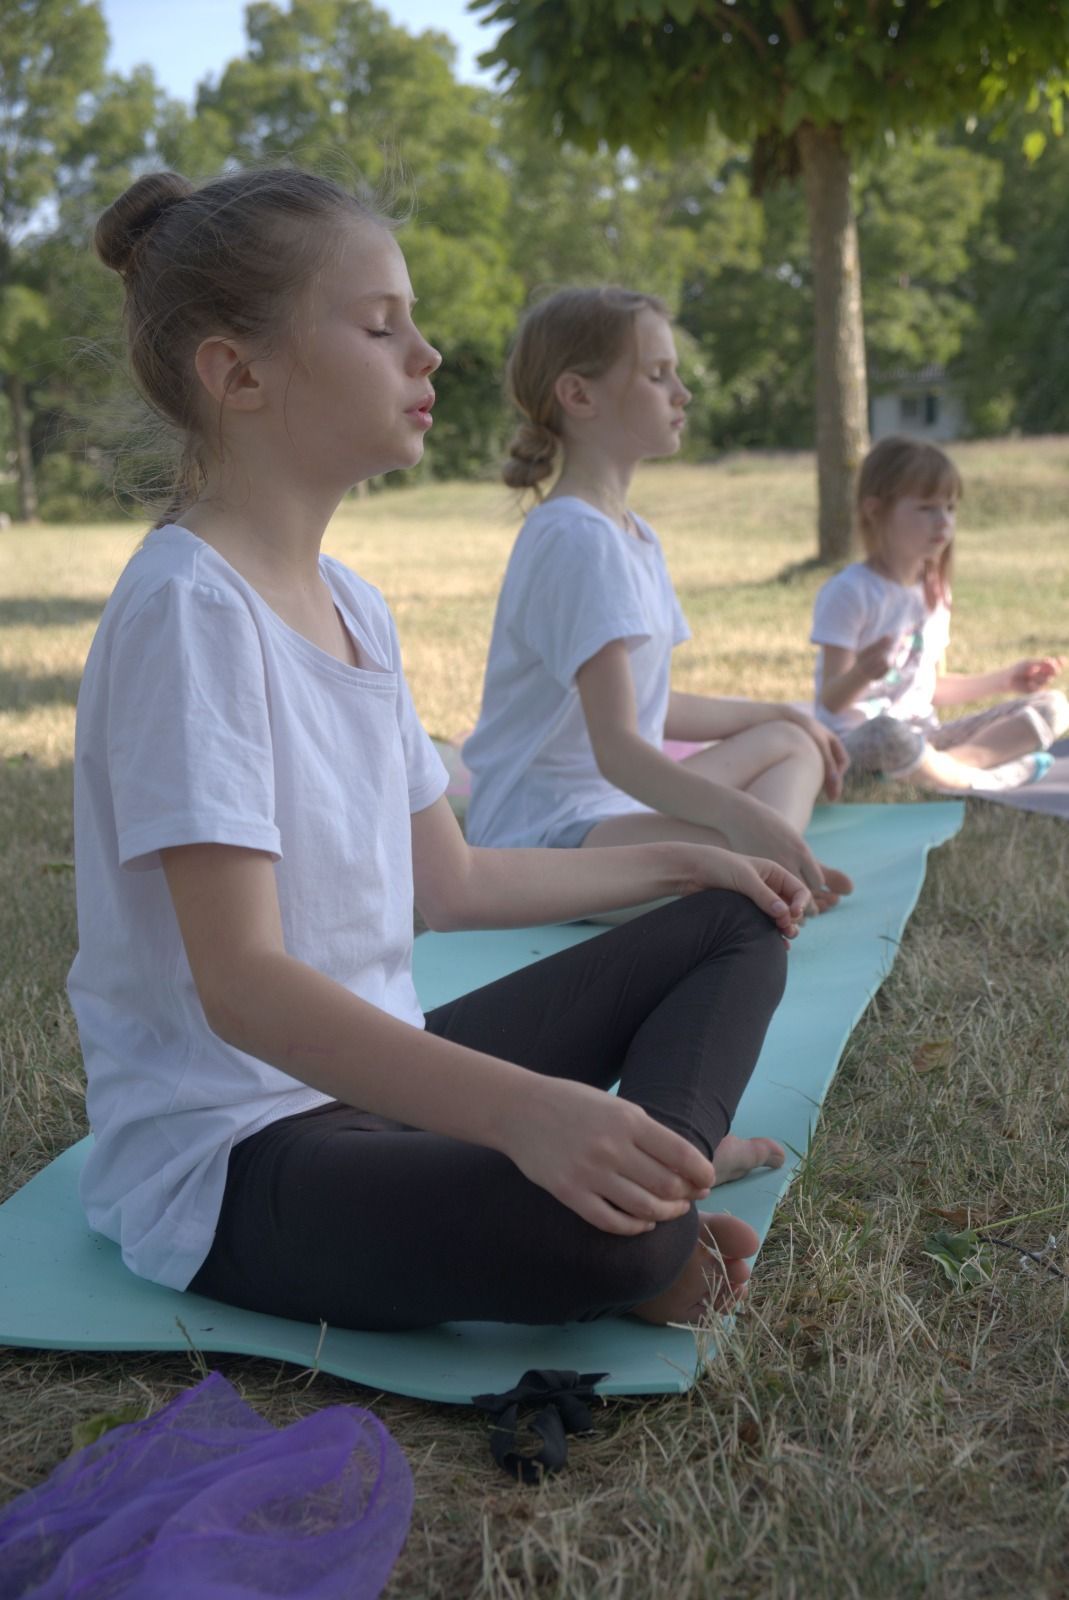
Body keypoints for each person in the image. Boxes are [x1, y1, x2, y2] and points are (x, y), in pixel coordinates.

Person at [69, 167, 810, 1337]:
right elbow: (244, 987)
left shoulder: (354, 603)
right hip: (241, 1152)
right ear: (237, 372)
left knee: (736, 921)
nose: (428, 353)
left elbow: (452, 881)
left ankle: (658, 1172)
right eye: (380, 325)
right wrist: (527, 1113)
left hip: (383, 1073)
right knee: (597, 1230)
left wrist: (693, 863)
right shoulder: (187, 609)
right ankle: (648, 1209)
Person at [461, 287, 853, 915]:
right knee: (742, 872)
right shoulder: (576, 540)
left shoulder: (632, 533)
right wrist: (745, 816)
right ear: (578, 395)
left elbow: (650, 705)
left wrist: (775, 712)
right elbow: (618, 748)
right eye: (657, 374)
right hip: (543, 834)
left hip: (618, 805)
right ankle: (765, 861)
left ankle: (766, 857)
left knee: (792, 741)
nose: (682, 393)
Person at [811, 435, 1067, 792]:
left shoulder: (934, 590)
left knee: (1053, 707)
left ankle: (946, 771)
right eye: (927, 508)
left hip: (927, 741)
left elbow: (928, 688)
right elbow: (831, 701)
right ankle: (980, 779)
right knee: (889, 734)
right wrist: (861, 673)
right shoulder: (849, 591)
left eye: (950, 508)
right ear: (874, 509)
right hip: (856, 745)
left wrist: (1006, 680)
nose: (943, 521)